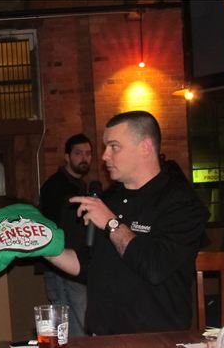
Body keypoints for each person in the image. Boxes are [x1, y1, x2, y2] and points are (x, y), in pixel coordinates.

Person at [46, 111, 208, 335]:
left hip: (154, 339)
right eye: (105, 147)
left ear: (145, 147)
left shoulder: (181, 203)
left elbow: (154, 266)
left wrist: (111, 224)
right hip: (101, 338)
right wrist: (44, 247)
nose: (104, 156)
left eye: (114, 146)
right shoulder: (110, 200)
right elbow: (87, 265)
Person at [38, 133, 92, 337]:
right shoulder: (55, 187)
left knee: (79, 324)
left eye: (88, 153)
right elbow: (48, 228)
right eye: (78, 153)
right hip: (62, 268)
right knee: (73, 328)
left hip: (78, 265)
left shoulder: (82, 186)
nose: (84, 158)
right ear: (67, 157)